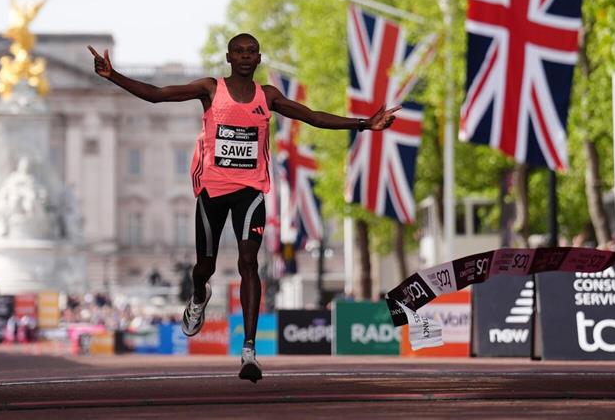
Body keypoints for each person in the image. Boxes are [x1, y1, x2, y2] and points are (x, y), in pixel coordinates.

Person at [88, 34, 400, 382]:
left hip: (251, 191)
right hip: (213, 191)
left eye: (252, 52)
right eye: (239, 52)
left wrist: (363, 124)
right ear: (229, 57)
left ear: (260, 58)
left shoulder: (268, 96)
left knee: (248, 261)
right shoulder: (210, 89)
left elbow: (311, 116)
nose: (246, 57)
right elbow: (158, 95)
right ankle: (198, 295)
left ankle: (249, 349)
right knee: (204, 266)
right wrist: (112, 75)